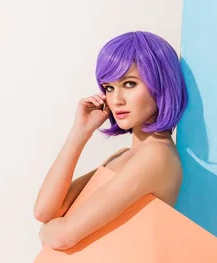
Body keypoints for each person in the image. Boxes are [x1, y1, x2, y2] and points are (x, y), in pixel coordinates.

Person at [32, 31, 189, 251]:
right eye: (109, 87)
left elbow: (62, 236)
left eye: (130, 84)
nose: (116, 100)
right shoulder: (124, 155)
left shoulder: (156, 157)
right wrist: (79, 133)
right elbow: (45, 211)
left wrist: (46, 232)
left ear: (161, 84)